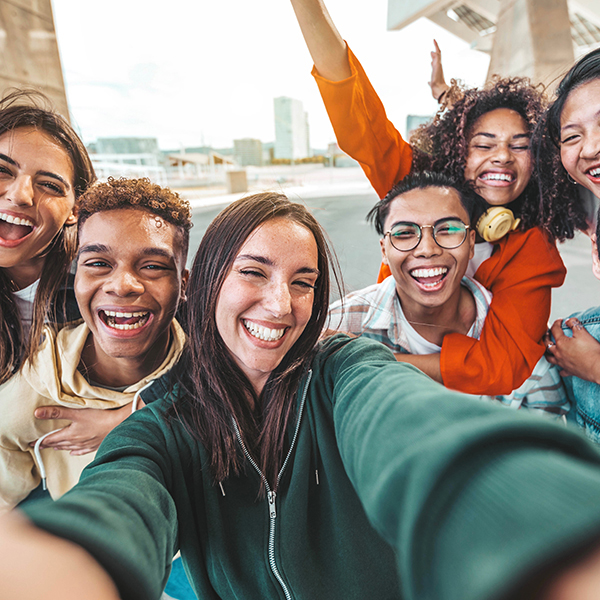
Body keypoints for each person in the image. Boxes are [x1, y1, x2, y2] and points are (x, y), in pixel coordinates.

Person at [6, 193, 600, 600]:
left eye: (303, 282)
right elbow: (122, 498)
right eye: (254, 272)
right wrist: (77, 555)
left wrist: (539, 519)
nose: (281, 305)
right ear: (206, 281)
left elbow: (416, 428)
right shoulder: (165, 422)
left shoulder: (345, 370)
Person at [289, 0, 580, 396]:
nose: (502, 156)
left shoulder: (532, 250)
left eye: (520, 146)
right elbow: (357, 115)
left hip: (459, 398)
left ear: (540, 161)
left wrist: (374, 359)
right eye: (484, 144)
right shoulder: (416, 189)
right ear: (458, 152)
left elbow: (502, 367)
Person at [0, 177, 190, 513]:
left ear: (184, 283)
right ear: (76, 278)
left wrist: (132, 416)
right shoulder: (28, 391)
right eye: (99, 264)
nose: (123, 285)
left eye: (153, 266)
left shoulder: (220, 363)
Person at [329, 171, 567, 414]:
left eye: (448, 229)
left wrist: (369, 363)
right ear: (384, 250)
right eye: (404, 233)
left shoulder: (521, 352)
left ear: (472, 243)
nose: (427, 249)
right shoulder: (337, 326)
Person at [0, 90, 96, 385]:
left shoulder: (99, 285)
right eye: (2, 170)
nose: (19, 195)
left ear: (74, 211)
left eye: (50, 185)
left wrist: (137, 410)